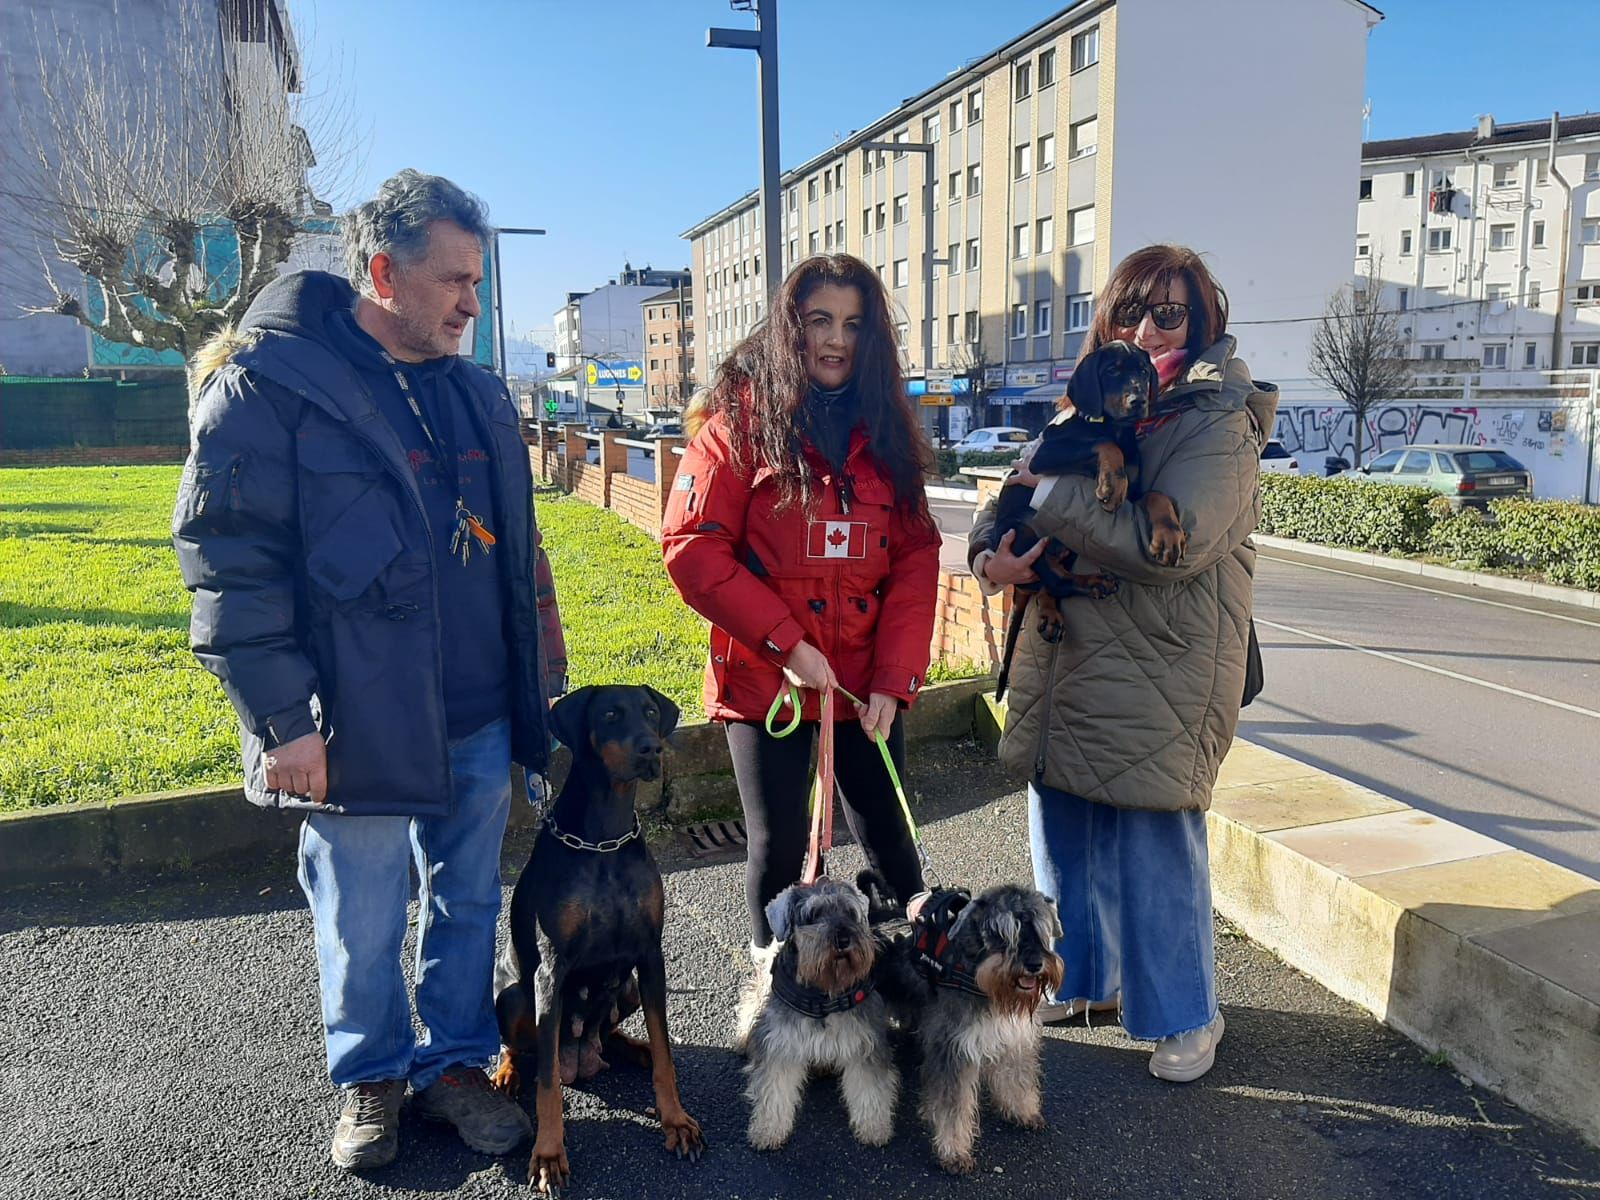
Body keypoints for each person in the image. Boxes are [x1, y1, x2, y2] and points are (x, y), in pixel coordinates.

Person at [173, 169, 567, 1170]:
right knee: (360, 916)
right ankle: (371, 1075)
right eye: (453, 280)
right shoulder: (270, 384)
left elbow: (522, 559)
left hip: (481, 715)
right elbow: (229, 561)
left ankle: (456, 1063)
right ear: (382, 271)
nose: (473, 303)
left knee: (469, 902)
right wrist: (280, 723)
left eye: (478, 280)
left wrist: (541, 691)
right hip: (352, 722)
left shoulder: (478, 392)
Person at [968, 244, 1276, 1083]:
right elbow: (1008, 489)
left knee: (1153, 837)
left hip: (1160, 667)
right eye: (1128, 313)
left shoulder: (1218, 419)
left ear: (1203, 321)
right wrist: (988, 554)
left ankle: (1185, 1014)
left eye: (1166, 313)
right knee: (1062, 825)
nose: (1145, 329)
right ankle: (1088, 980)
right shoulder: (1088, 402)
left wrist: (1046, 498)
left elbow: (1166, 548)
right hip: (1068, 655)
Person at [661, 253, 941, 967]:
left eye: (852, 324)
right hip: (768, 683)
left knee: (889, 837)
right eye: (820, 321)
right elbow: (692, 548)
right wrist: (786, 644)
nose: (836, 340)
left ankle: (903, 987)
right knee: (779, 845)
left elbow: (915, 554)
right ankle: (774, 995)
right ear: (790, 330)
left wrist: (895, 674)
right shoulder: (736, 428)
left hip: (864, 684)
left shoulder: (890, 429)